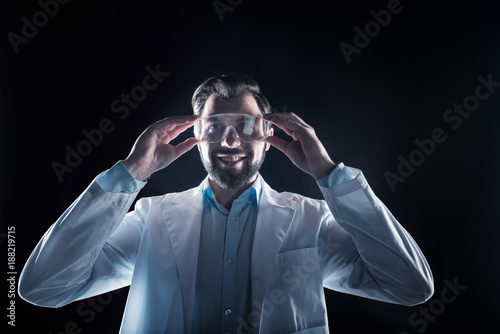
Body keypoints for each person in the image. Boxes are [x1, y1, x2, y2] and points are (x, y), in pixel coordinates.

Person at [19, 74, 434, 334]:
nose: (230, 140)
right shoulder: (151, 220)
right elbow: (43, 287)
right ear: (195, 137)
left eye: (246, 127)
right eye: (215, 127)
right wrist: (130, 173)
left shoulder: (312, 221)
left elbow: (410, 286)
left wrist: (330, 176)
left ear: (270, 137)